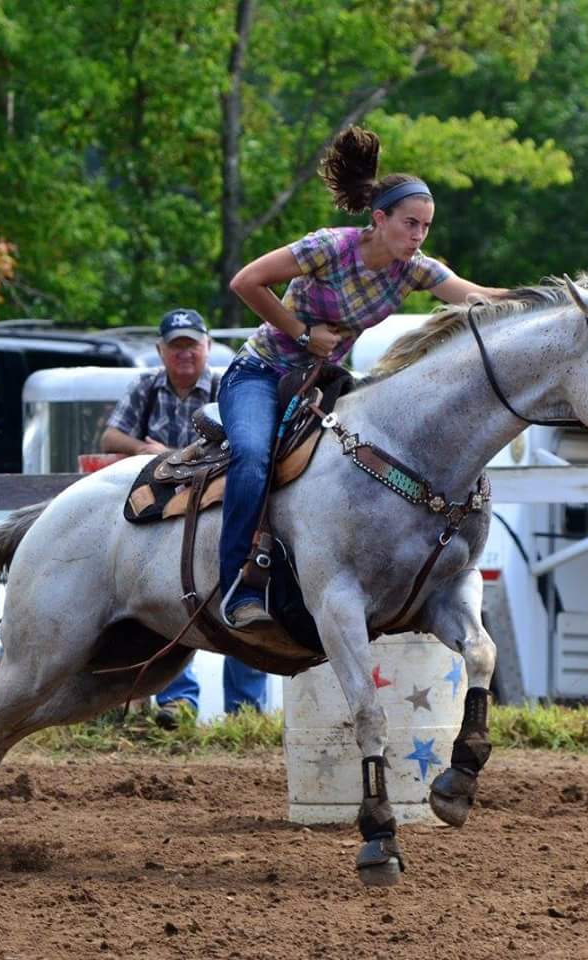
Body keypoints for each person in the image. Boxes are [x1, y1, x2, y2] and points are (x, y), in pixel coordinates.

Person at [220, 125, 507, 629]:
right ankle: (235, 587)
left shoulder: (412, 269)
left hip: (322, 381)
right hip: (260, 374)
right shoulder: (328, 248)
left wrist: (550, 300)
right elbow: (246, 281)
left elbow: (475, 295)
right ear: (380, 218)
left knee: (373, 460)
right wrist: (302, 331)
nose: (418, 236)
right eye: (410, 224)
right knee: (251, 457)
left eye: (425, 227)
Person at [101, 308, 268, 725]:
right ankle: (180, 704)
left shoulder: (231, 384)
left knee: (236, 586)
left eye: (192, 345)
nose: (185, 354)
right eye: (176, 347)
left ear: (207, 347)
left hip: (222, 500)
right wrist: (146, 451)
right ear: (161, 351)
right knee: (169, 598)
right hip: (168, 506)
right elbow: (110, 435)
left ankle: (244, 712)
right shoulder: (146, 387)